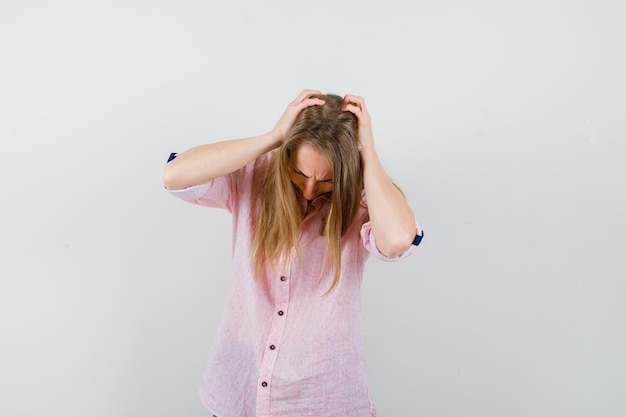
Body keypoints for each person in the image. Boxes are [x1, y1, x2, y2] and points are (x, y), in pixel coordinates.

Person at [161, 89, 423, 417]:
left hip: (322, 397)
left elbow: (398, 240)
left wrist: (368, 153)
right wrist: (273, 137)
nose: (310, 189)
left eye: (326, 180)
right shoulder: (254, 175)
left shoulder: (364, 201)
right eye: (300, 173)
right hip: (240, 390)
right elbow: (173, 176)